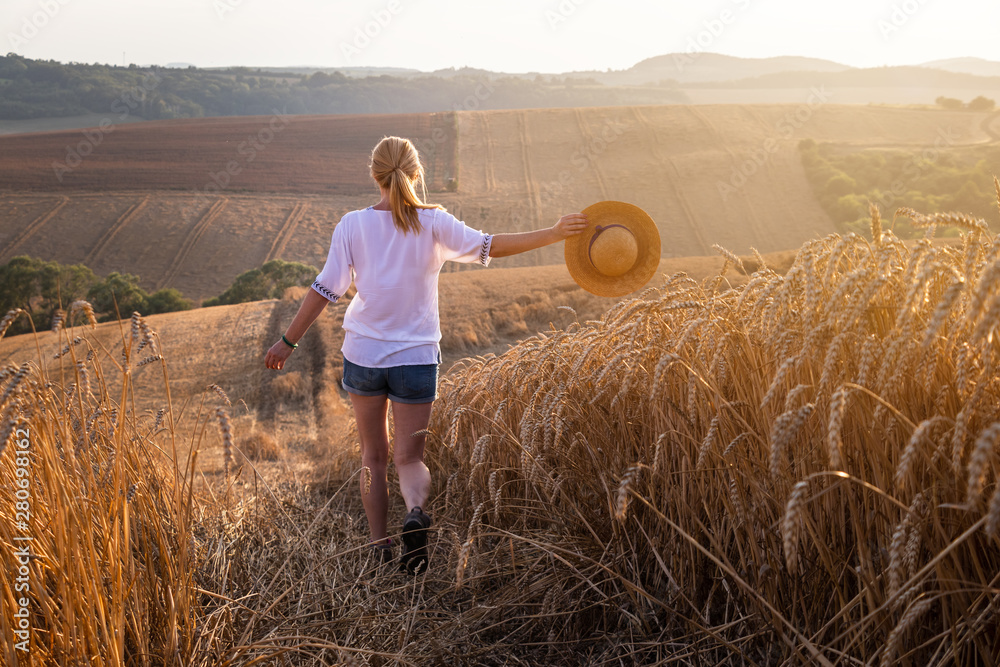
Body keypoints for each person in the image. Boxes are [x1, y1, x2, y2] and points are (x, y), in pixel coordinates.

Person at [264, 135, 587, 573]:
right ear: (417, 173)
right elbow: (490, 246)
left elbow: (325, 290)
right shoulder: (434, 222)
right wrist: (551, 233)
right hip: (415, 358)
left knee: (371, 457)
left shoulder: (352, 225)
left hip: (364, 356)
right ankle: (414, 513)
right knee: (410, 459)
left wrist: (288, 341)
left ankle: (379, 546)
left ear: (374, 174)